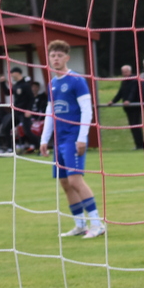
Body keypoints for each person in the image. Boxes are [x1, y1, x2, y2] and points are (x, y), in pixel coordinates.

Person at [40, 40, 105, 239]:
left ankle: (97, 224)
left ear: (67, 58)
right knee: (65, 182)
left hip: (73, 139)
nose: (56, 59)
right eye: (53, 55)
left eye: (60, 56)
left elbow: (87, 110)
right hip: (59, 141)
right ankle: (80, 225)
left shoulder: (77, 80)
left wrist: (82, 137)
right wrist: (44, 139)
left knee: (75, 180)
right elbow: (50, 112)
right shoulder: (52, 83)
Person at [0, 66, 34, 152]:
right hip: (16, 112)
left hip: (24, 112)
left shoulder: (25, 85)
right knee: (6, 128)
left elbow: (31, 98)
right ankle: (10, 148)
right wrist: (2, 83)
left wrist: (29, 109)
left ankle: (37, 146)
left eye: (12, 73)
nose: (11, 74)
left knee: (27, 131)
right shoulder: (16, 85)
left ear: (17, 73)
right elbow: (7, 93)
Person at [109, 64, 144, 150]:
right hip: (128, 108)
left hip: (135, 107)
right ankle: (138, 144)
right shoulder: (124, 81)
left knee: (136, 126)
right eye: (123, 72)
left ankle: (141, 145)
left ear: (130, 71)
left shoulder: (134, 80)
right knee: (132, 126)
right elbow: (120, 93)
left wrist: (129, 100)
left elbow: (133, 91)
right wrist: (113, 101)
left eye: (126, 72)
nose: (125, 74)